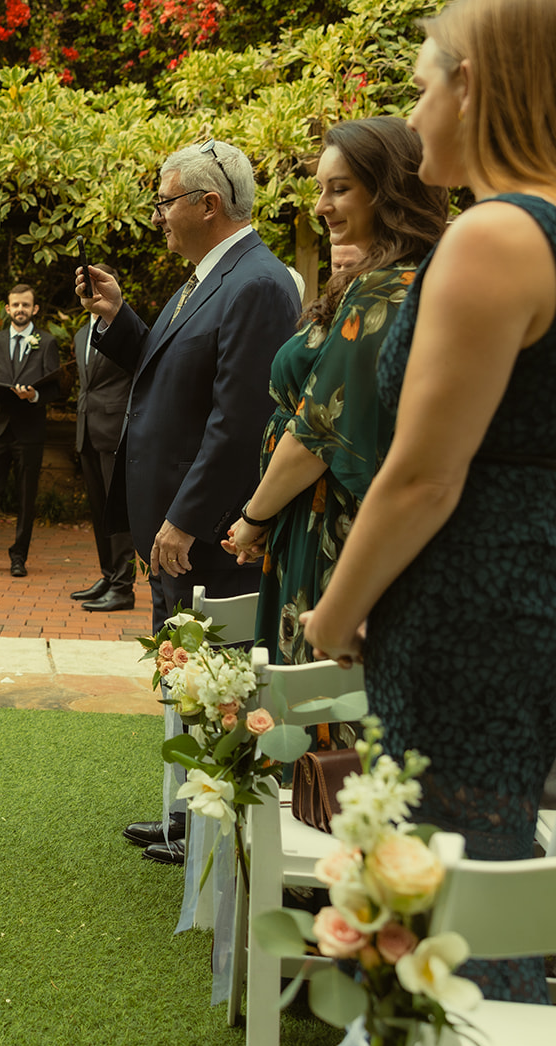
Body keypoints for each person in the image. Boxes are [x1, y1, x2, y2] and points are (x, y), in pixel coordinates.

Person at [303, 0, 556, 1003]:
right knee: (489, 851)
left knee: (457, 878)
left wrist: (335, 611)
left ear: (472, 84)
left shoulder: (493, 236)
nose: (408, 122)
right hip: (523, 582)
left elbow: (420, 473)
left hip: (467, 600)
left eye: (417, 91)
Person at [79, 139, 300, 864]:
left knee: (217, 678)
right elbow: (171, 373)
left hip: (203, 534)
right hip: (176, 531)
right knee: (186, 675)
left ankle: (210, 829)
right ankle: (186, 817)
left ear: (209, 205)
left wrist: (185, 516)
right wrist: (119, 317)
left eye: (166, 201)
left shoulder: (258, 283)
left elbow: (238, 421)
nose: (158, 217)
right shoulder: (210, 276)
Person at [221, 118, 448, 663]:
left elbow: (316, 432)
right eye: (321, 188)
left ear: (391, 189)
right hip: (354, 524)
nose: (321, 206)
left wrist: (253, 518)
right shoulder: (426, 274)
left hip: (334, 527)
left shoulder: (385, 290)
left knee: (319, 716)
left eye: (340, 188)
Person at [0, 283, 61, 578]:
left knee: (25, 496)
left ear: (35, 309)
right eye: (15, 305)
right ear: (7, 309)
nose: (20, 310)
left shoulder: (46, 342)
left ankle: (19, 557)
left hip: (29, 431)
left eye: (25, 305)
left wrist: (33, 396)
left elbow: (55, 388)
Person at [71, 262, 135, 613]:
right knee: (98, 511)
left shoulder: (123, 329)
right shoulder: (81, 334)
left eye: (96, 282)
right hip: (87, 431)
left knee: (117, 511)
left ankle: (124, 586)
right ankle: (108, 576)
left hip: (114, 431)